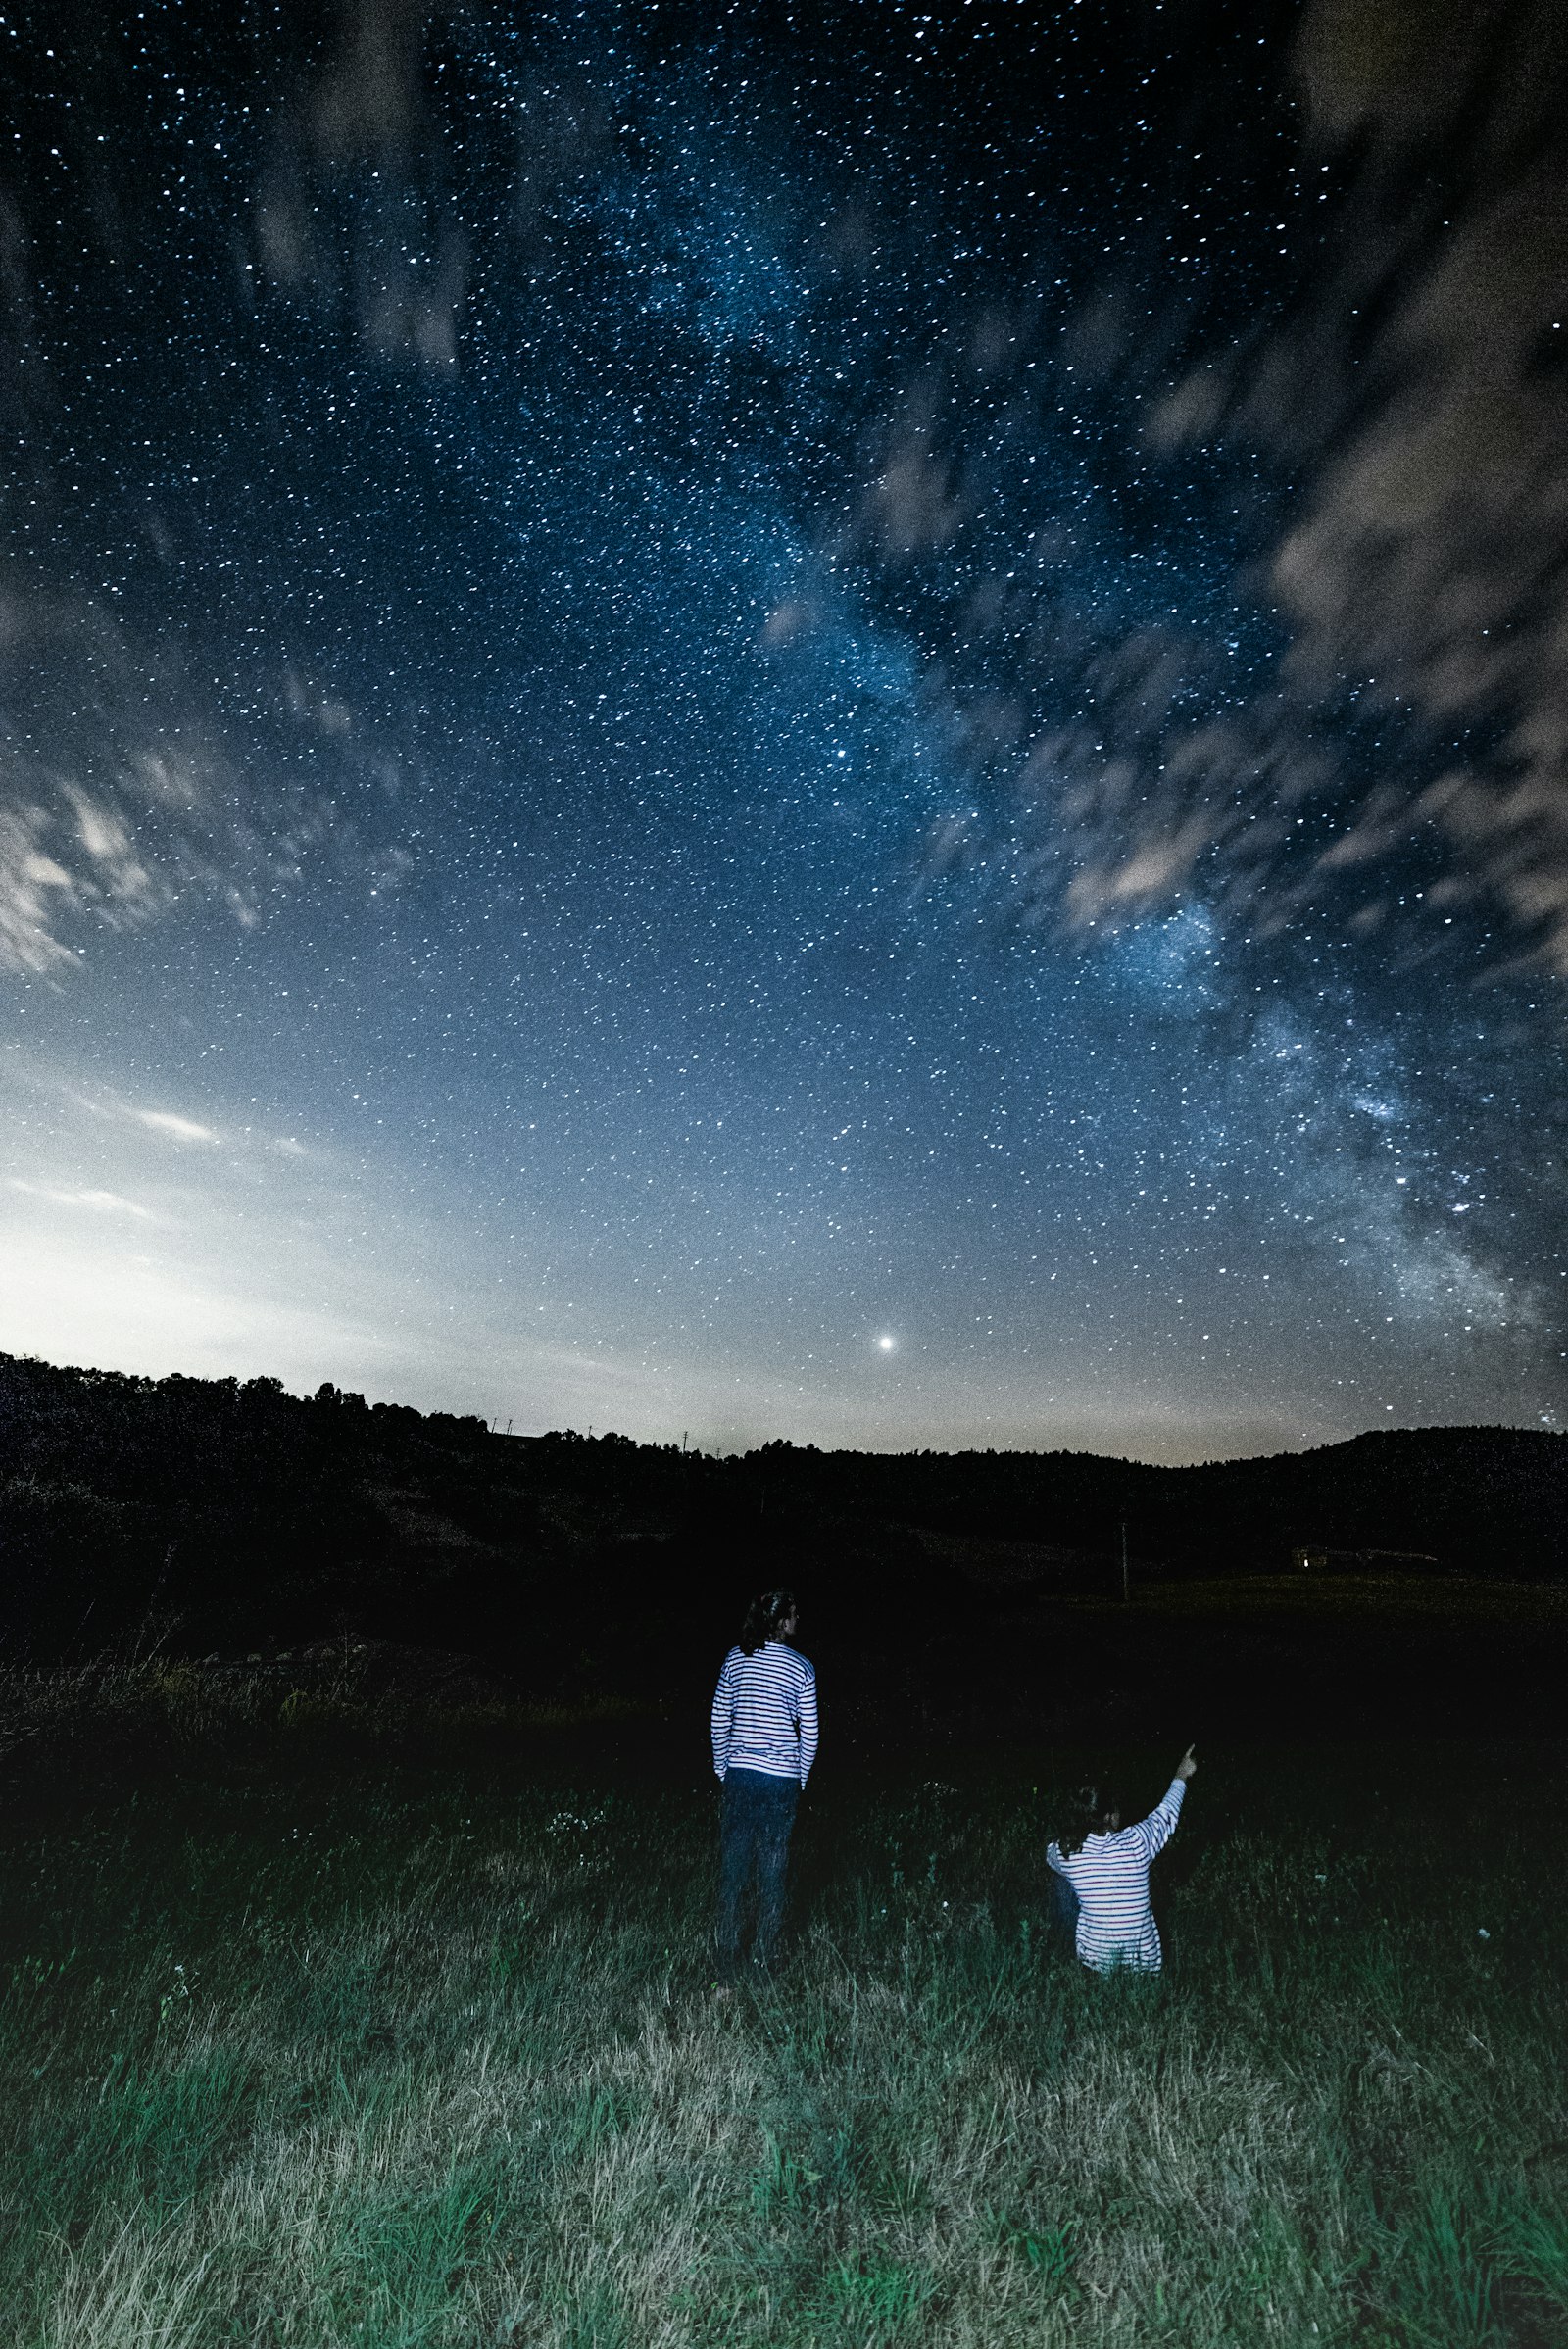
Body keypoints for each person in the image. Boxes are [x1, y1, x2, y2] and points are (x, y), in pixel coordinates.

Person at [710, 1588, 818, 1979]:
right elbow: (811, 1733)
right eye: (795, 1613)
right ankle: (763, 1966)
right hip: (779, 1784)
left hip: (741, 1777)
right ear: (782, 1621)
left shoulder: (735, 1659)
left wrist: (725, 1769)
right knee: (773, 1874)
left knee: (733, 1874)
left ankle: (726, 1971)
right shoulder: (801, 1667)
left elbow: (720, 1719)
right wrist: (799, 1777)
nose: (798, 1619)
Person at [1046, 1745, 1197, 1974]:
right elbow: (1166, 1814)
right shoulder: (1137, 1841)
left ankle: (1071, 1943)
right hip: (1143, 1967)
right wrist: (1180, 1775)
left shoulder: (1068, 1853)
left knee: (1062, 1881)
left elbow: (1049, 1855)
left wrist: (1068, 1840)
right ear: (1108, 1816)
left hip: (1097, 1967)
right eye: (1116, 1810)